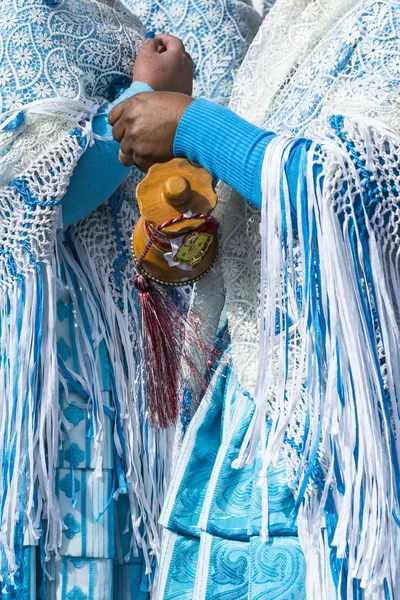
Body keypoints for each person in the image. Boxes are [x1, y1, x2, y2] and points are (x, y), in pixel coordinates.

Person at [109, 0, 400, 598]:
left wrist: (190, 122)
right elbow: (244, 224)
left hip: (342, 436)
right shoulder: (286, 27)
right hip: (247, 403)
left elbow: (350, 187)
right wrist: (180, 208)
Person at [0, 1, 260, 598]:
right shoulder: (29, 12)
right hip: (71, 371)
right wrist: (147, 94)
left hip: (170, 357)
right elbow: (35, 196)